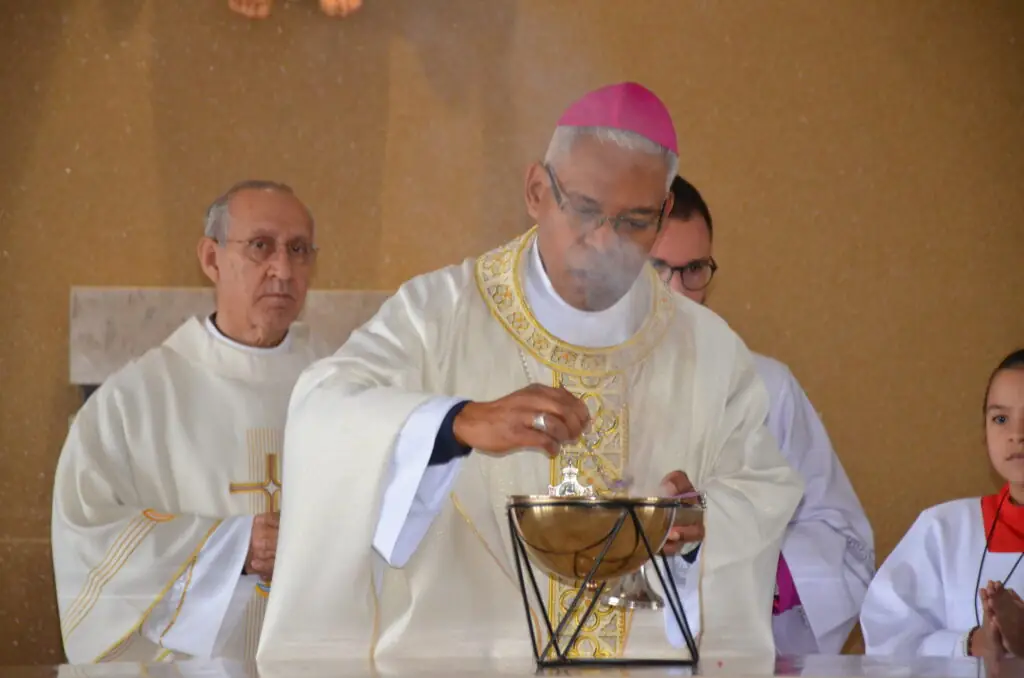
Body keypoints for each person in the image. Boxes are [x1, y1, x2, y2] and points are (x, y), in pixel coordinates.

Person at [258, 82, 803, 663]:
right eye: (586, 211)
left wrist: (698, 526)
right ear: (537, 190)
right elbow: (323, 405)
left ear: (665, 213)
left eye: (635, 221)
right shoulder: (439, 314)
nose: (604, 243)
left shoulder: (709, 350)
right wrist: (455, 423)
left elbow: (760, 488)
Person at [51, 180, 328, 663]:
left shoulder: (340, 389)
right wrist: (234, 547)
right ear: (211, 259)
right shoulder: (133, 402)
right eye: (260, 246)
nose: (283, 269)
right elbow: (88, 536)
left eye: (299, 250)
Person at [647, 176, 875, 654]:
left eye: (693, 270)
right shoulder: (573, 393)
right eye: (655, 269)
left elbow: (844, 542)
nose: (678, 293)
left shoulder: (767, 388)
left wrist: (741, 564)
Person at [860, 349, 1024, 658]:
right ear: (983, 432)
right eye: (1001, 419)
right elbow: (890, 639)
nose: (1017, 434)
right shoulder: (944, 528)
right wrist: (980, 643)